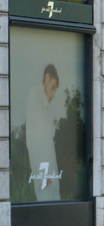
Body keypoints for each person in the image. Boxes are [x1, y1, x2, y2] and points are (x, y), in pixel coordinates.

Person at [25, 63, 61, 201]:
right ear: (46, 78)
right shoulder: (35, 97)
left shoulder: (41, 104)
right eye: (52, 88)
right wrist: (45, 177)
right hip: (46, 180)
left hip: (48, 179)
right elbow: (35, 141)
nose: (53, 95)